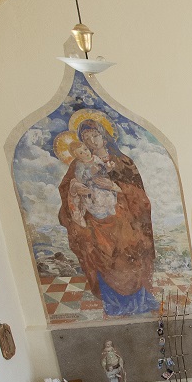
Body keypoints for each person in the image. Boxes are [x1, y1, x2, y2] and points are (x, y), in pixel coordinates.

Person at [56, 113, 158, 316]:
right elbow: (67, 189)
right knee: (101, 258)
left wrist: (116, 187)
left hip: (123, 221)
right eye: (86, 139)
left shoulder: (122, 162)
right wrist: (75, 190)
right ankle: (113, 305)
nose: (91, 142)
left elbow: (141, 197)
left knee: (129, 256)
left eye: (95, 136)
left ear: (105, 136)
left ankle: (140, 301)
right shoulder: (77, 165)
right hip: (95, 221)